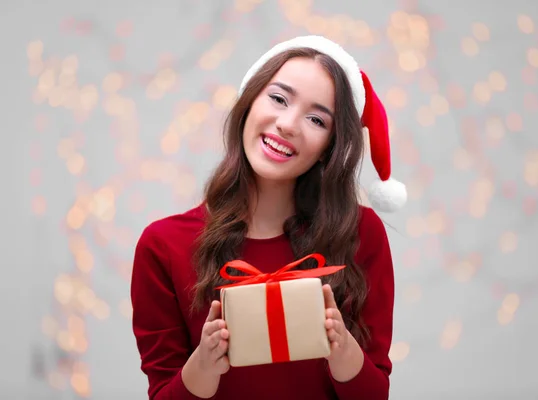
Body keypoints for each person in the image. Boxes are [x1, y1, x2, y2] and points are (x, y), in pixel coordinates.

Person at [130, 35, 407, 400]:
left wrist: (344, 353)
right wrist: (203, 366)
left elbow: (375, 394)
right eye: (278, 99)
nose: (288, 124)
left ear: (330, 147)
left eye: (316, 119)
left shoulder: (360, 234)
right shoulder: (164, 245)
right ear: (249, 103)